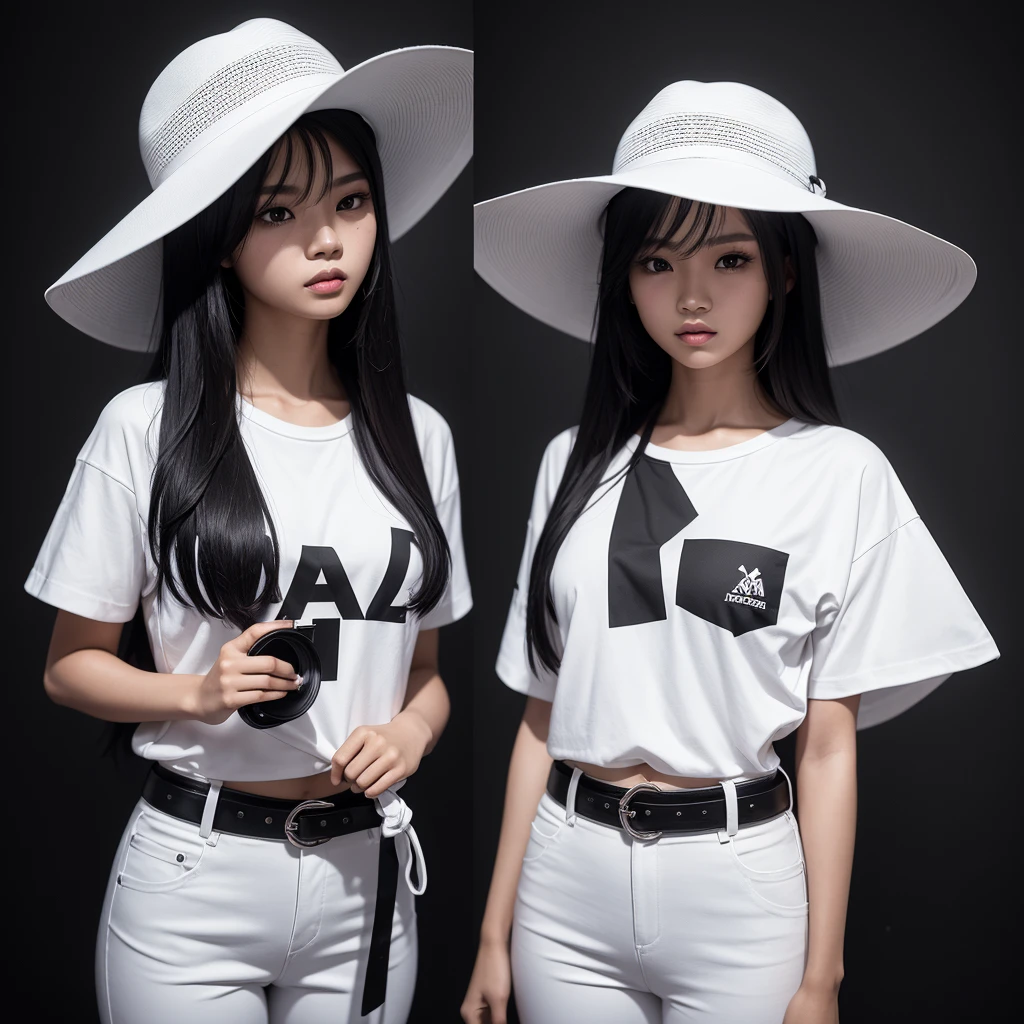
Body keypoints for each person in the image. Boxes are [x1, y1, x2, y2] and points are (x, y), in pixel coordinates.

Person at [463, 80, 998, 1024]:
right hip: (565, 880)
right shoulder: (574, 464)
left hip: (740, 887)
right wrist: (495, 934)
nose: (693, 295)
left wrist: (821, 979)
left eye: (732, 257)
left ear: (785, 270)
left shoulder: (838, 473)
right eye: (658, 261)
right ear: (624, 278)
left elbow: (828, 748)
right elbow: (541, 716)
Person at [25, 18, 472, 1024]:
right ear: (219, 238)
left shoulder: (419, 438)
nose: (328, 239)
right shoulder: (146, 429)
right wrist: (198, 689)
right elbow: (68, 667)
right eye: (281, 209)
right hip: (197, 878)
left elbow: (429, 670)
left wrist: (408, 730)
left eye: (351, 202)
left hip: (365, 879)